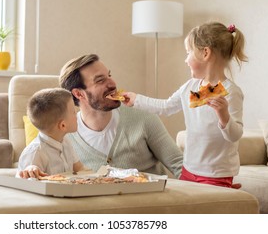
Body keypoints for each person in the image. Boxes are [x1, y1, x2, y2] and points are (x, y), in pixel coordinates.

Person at [123, 22, 248, 188]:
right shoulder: (190, 87)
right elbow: (166, 107)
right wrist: (136, 99)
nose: (185, 59)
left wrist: (224, 115)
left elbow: (235, 135)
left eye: (188, 52)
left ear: (205, 53)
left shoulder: (231, 92)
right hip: (189, 169)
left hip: (216, 173)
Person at [59, 54, 183, 178]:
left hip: (149, 197)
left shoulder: (143, 117)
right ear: (79, 94)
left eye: (109, 76)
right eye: (100, 80)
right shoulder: (64, 135)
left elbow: (179, 165)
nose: (112, 84)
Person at [17, 88, 87, 178]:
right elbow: (26, 183)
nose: (77, 113)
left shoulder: (66, 141)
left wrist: (99, 178)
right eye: (73, 111)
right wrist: (31, 170)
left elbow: (79, 168)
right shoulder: (36, 152)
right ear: (63, 125)